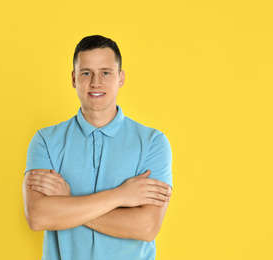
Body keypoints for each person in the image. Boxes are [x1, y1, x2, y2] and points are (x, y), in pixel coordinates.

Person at [22, 35, 173, 260]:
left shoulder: (153, 142)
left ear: (120, 78)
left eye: (105, 72)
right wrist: (121, 196)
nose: (95, 83)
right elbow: (38, 217)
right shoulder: (45, 140)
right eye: (86, 73)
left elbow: (146, 227)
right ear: (74, 78)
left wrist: (67, 201)